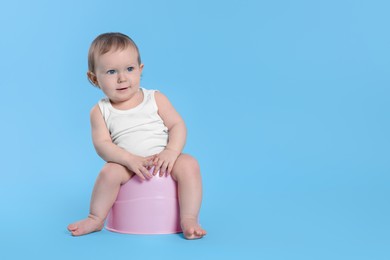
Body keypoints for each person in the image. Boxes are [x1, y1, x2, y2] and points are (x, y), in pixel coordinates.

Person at [67, 32, 206, 239]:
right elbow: (102, 145)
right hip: (128, 164)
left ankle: (189, 218)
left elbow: (177, 125)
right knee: (108, 173)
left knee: (190, 164)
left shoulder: (155, 98)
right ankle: (95, 218)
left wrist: (171, 152)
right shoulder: (100, 111)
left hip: (163, 159)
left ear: (140, 70)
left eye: (129, 69)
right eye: (111, 71)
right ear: (94, 78)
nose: (122, 78)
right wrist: (129, 159)